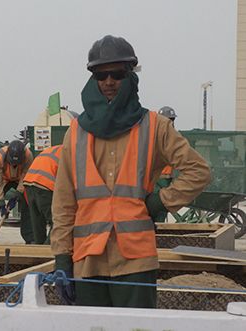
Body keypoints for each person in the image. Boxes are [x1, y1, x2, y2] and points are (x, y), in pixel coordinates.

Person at [51, 35, 211, 308]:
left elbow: (198, 171)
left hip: (135, 259)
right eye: (102, 75)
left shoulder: (155, 126)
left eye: (117, 74)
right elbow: (64, 201)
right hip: (88, 259)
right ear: (94, 78)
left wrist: (161, 200)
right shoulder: (76, 132)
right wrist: (62, 257)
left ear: (130, 75)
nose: (109, 81)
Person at [0, 140, 34, 244]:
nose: (14, 164)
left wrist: (17, 195)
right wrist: (1, 202)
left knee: (27, 204)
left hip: (20, 179)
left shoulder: (28, 156)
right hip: (3, 179)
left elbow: (26, 176)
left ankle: (30, 238)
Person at [23, 145, 62, 245]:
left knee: (38, 224)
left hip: (28, 184)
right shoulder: (71, 154)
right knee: (58, 221)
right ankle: (47, 250)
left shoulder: (54, 149)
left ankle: (39, 251)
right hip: (45, 186)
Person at [154, 106, 178, 222]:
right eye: (169, 120)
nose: (171, 122)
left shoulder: (174, 137)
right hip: (156, 181)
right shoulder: (155, 136)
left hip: (167, 180)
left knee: (161, 209)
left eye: (172, 120)